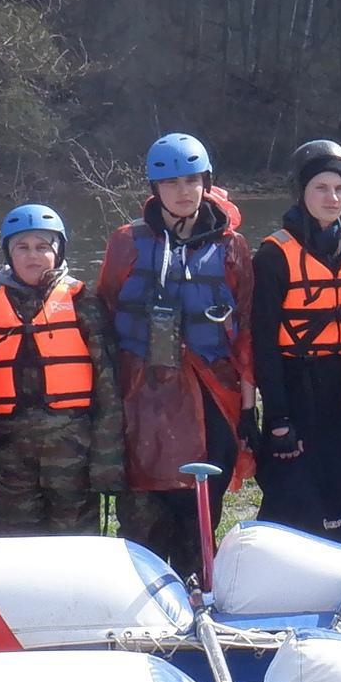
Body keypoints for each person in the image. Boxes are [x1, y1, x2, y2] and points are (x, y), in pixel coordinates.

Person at [95, 133, 255, 576]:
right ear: (155, 190)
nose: (184, 192)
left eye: (192, 180)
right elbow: (105, 311)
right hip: (143, 394)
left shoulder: (232, 247)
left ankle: (200, 592)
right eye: (171, 183)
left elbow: (245, 334)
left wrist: (247, 410)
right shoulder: (127, 242)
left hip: (209, 395)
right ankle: (140, 599)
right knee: (144, 517)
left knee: (200, 511)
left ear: (206, 182)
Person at [0, 203, 126, 535]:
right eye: (22, 247)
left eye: (43, 247)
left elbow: (108, 385)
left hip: (73, 448)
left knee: (75, 546)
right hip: (8, 451)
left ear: (58, 251)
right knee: (19, 546)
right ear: (8, 252)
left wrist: (108, 458)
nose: (33, 256)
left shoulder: (84, 303)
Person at [250, 139, 341, 544]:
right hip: (296, 385)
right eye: (321, 188)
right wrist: (277, 417)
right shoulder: (274, 255)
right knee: (294, 495)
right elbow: (263, 345)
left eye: (340, 189)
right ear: (302, 192)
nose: (332, 198)